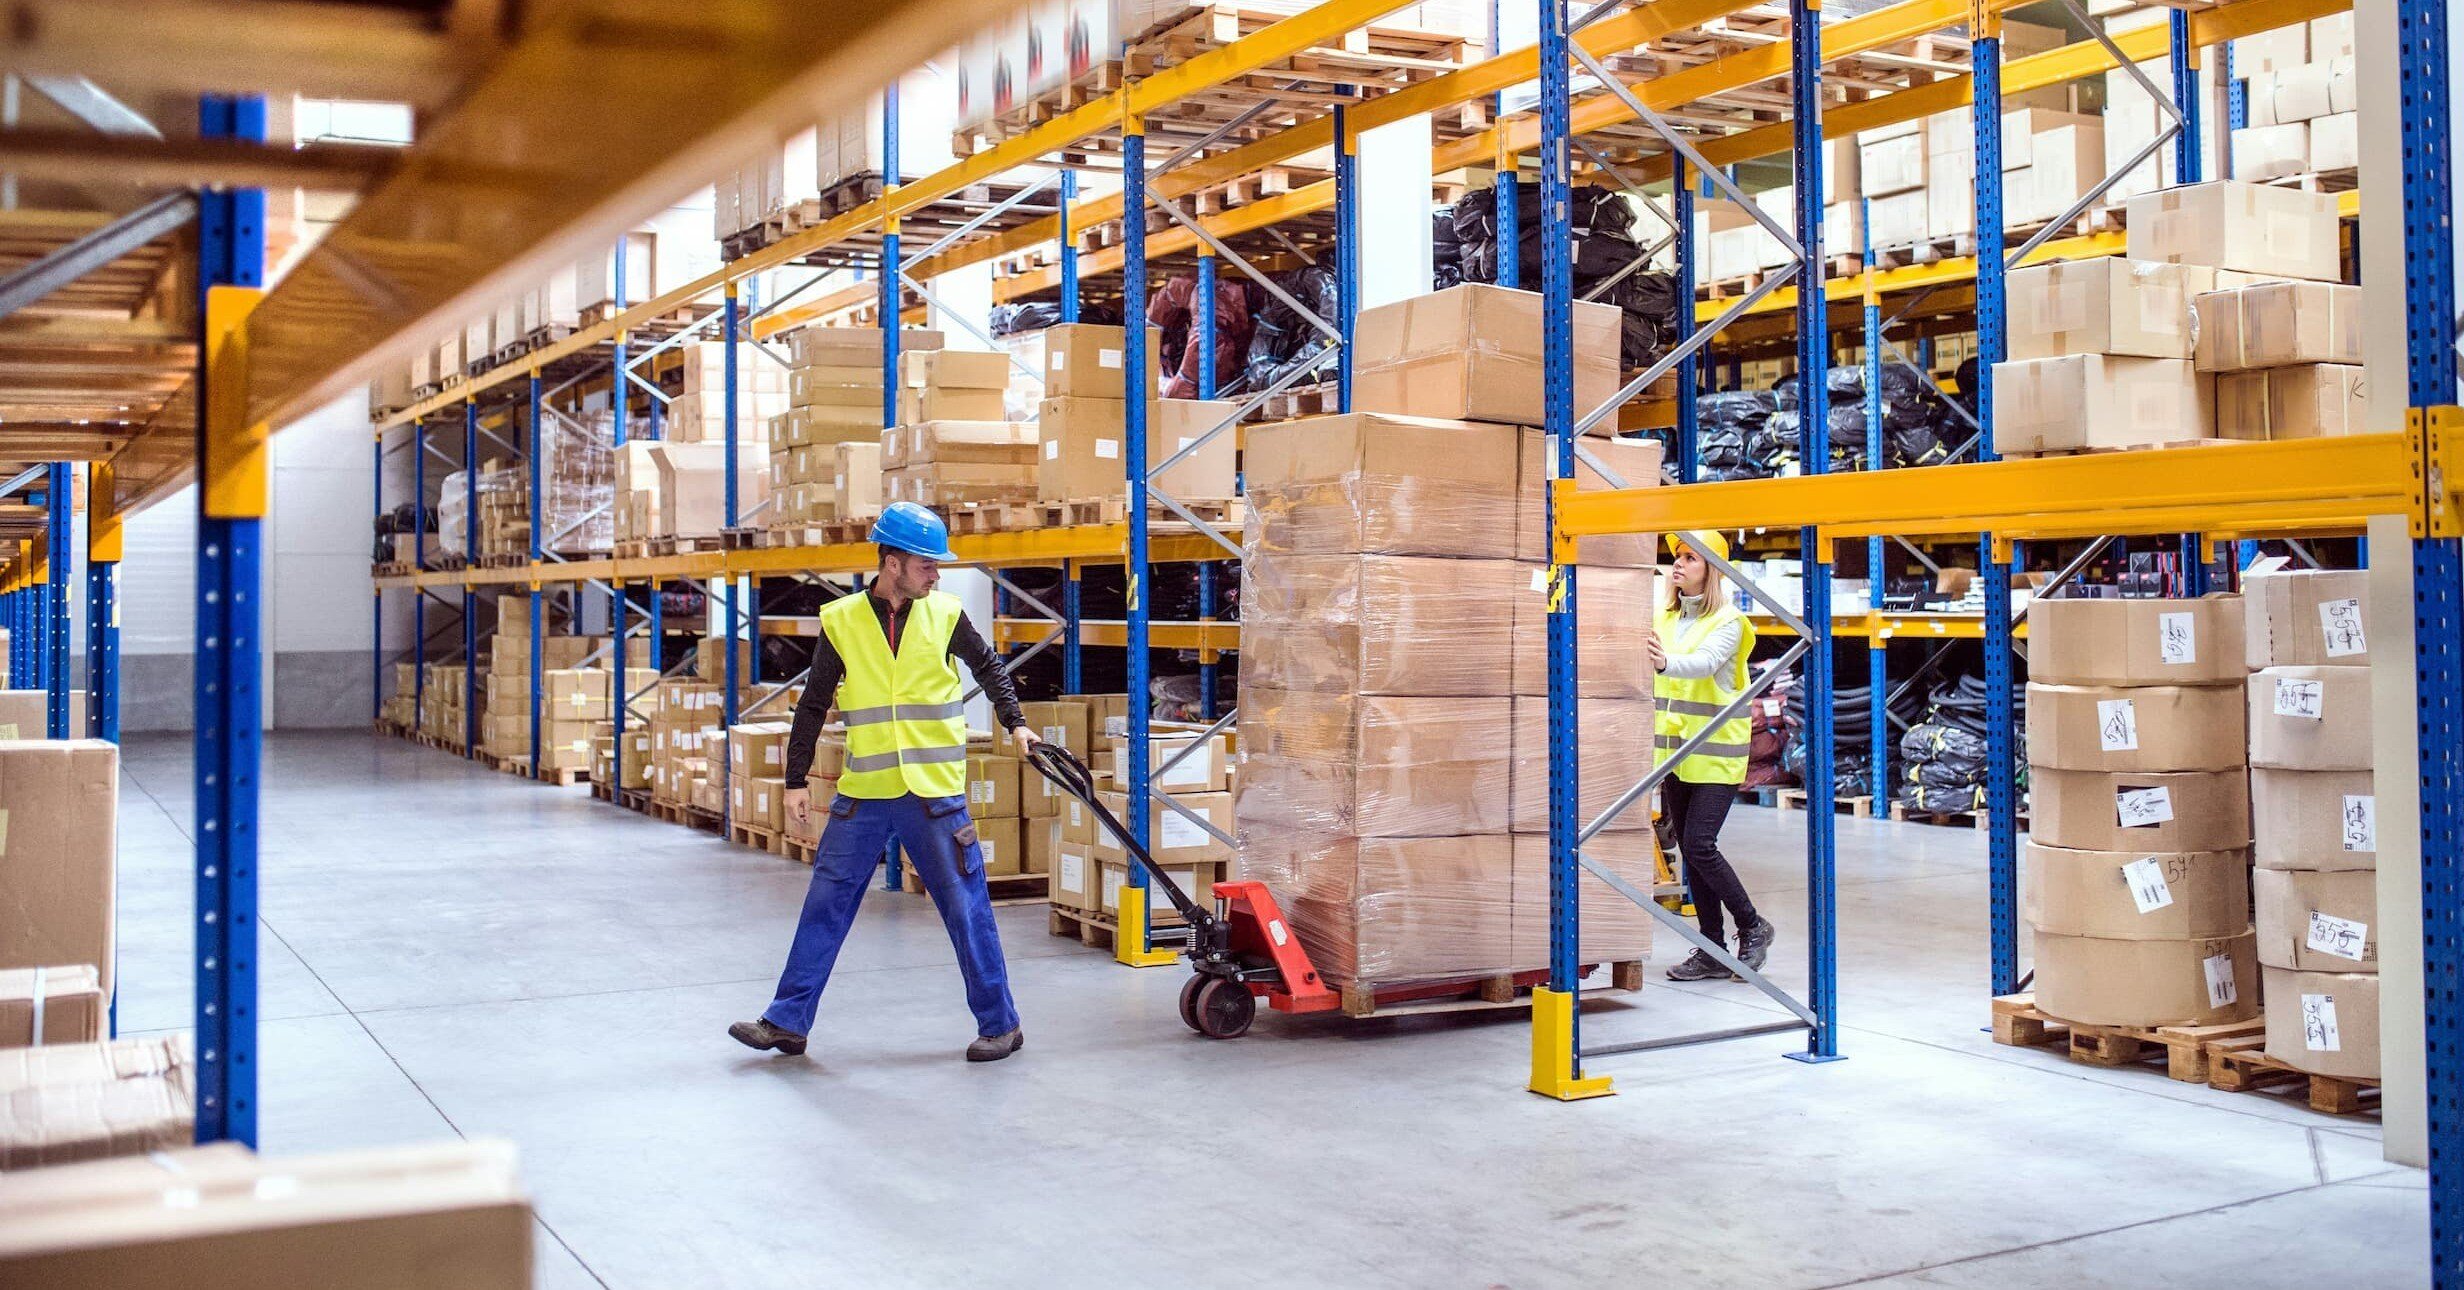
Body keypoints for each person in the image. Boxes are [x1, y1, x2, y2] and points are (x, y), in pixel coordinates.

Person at [729, 502, 1043, 1063]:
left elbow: (991, 669)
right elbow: (814, 702)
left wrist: (1017, 724)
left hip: (932, 794)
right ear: (893, 563)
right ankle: (786, 1021)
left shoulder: (945, 615)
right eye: (927, 565)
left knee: (966, 907)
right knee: (824, 904)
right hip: (866, 793)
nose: (937, 575)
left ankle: (1001, 1023)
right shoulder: (843, 620)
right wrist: (794, 779)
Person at [1650, 529, 1776, 983]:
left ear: (1713, 570)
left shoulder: (1728, 622)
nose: (1678, 564)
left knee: (1701, 843)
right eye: (1676, 556)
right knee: (1689, 849)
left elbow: (1703, 663)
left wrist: (1663, 663)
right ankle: (1711, 948)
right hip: (1675, 754)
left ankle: (1753, 925)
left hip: (1716, 753)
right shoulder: (1664, 617)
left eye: (1691, 558)